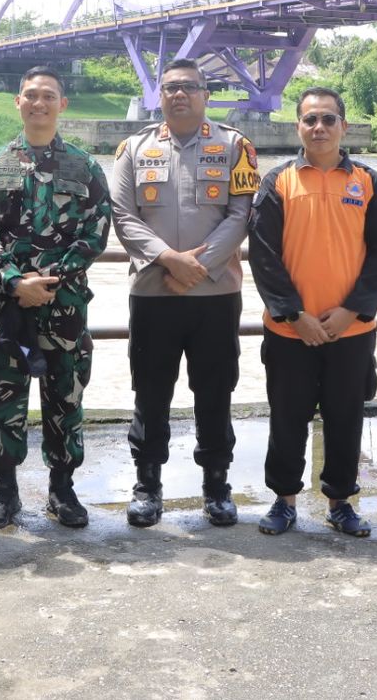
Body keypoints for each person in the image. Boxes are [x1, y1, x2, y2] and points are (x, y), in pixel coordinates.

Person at [109, 59, 259, 527]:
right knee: (150, 391)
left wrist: (199, 265)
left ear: (205, 94)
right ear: (159, 96)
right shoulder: (134, 149)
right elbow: (123, 214)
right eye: (171, 88)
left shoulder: (236, 146)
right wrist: (168, 259)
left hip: (214, 295)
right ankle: (147, 485)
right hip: (154, 292)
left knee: (215, 391)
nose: (179, 95)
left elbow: (242, 214)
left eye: (189, 88)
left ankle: (216, 486)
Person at [248, 87, 377, 537]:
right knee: (287, 415)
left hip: (348, 331)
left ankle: (341, 501)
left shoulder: (368, 181)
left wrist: (352, 311)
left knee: (345, 417)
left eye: (328, 120)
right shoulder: (279, 181)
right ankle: (284, 500)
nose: (319, 127)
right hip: (291, 330)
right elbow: (264, 253)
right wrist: (294, 314)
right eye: (310, 119)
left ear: (343, 127)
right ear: (298, 126)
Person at [0, 66, 112, 529]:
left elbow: (96, 232)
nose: (39, 103)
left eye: (48, 95)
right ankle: (4, 492)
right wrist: (15, 282)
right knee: (2, 399)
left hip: (64, 307)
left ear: (62, 105)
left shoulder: (84, 166)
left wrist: (46, 280)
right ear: (18, 101)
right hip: (6, 310)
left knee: (65, 400)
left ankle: (62, 491)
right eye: (31, 95)